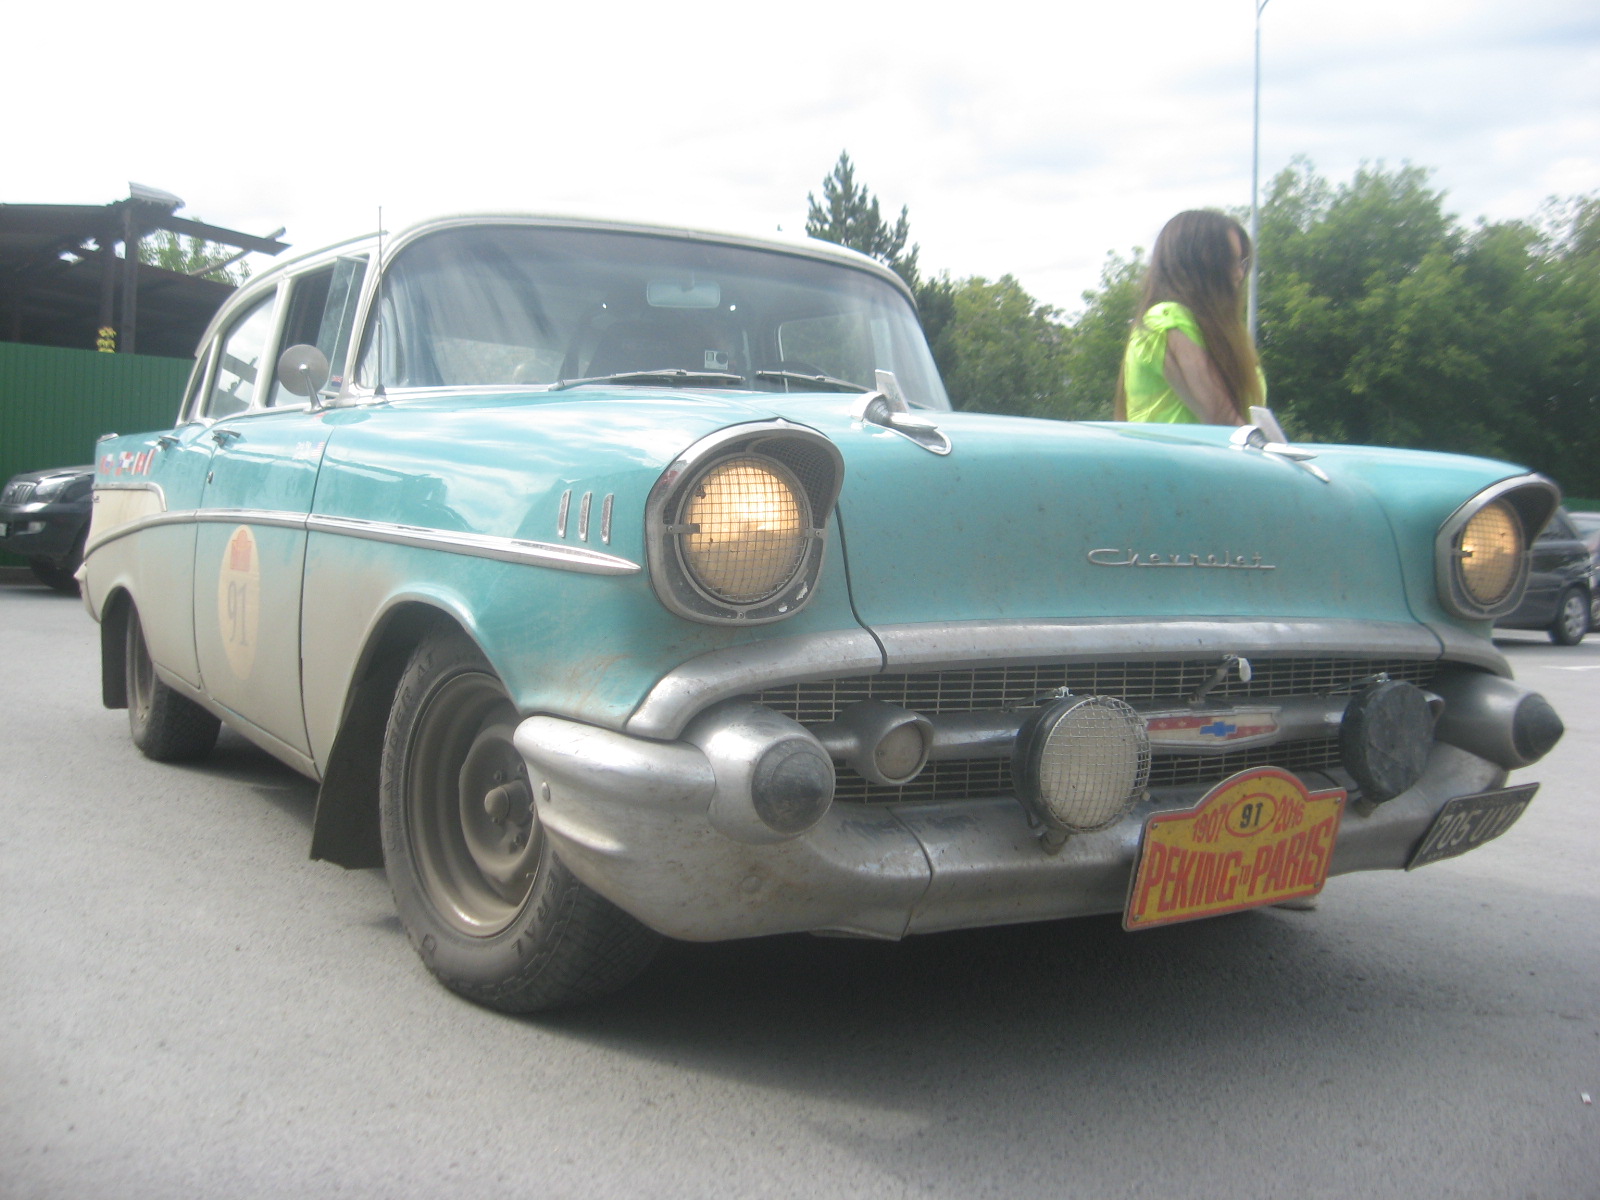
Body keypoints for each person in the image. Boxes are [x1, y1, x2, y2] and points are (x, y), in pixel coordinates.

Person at [1115, 210, 1263, 425]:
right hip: (1182, 449)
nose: (1239, 273)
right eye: (1228, 261)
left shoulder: (1216, 330)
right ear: (1196, 264)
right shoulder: (1166, 321)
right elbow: (1223, 420)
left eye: (1242, 262)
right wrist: (1267, 445)